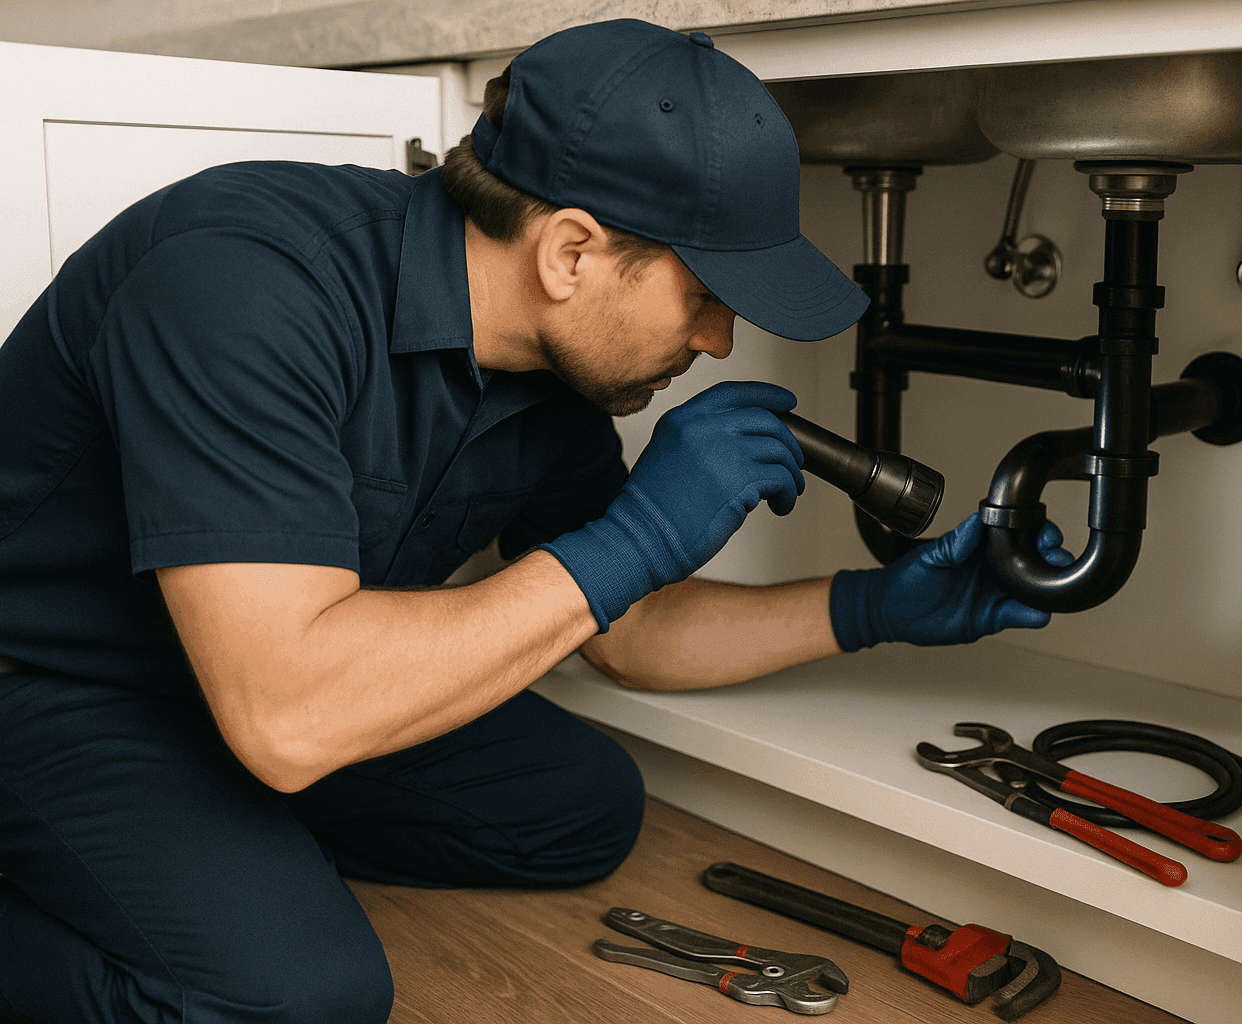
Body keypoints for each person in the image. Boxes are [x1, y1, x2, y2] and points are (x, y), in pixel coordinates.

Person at [0, 18, 1066, 1024]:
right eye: (704, 294)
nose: (720, 339)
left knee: (580, 806)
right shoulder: (246, 282)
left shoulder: (549, 373)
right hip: (52, 682)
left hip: (254, 682)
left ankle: (201, 846)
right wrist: (643, 529)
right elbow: (288, 721)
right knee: (299, 996)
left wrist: (876, 605)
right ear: (570, 252)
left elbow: (629, 629)